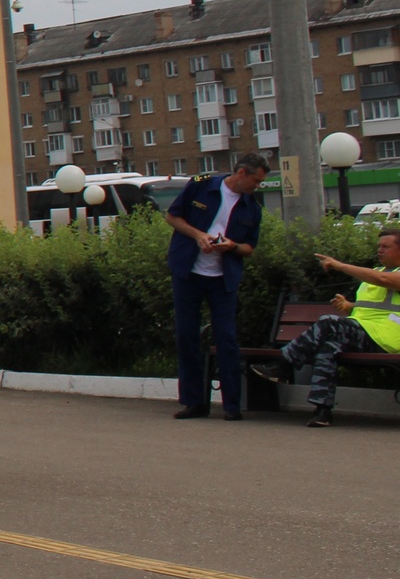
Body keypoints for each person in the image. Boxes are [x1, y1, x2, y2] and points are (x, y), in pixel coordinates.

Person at [165, 153, 270, 419]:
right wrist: (199, 236)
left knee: (226, 338)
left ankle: (232, 405)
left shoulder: (252, 208)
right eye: (255, 181)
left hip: (223, 278)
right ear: (242, 173)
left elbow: (250, 248)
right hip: (188, 272)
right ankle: (194, 402)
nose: (256, 187)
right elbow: (173, 217)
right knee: (187, 336)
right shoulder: (201, 185)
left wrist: (232, 246)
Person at [286, 230, 400, 425]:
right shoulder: (377, 272)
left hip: (388, 338)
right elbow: (372, 308)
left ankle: (284, 362)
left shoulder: (382, 276)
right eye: (379, 246)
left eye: (386, 247)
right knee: (328, 348)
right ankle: (322, 411)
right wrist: (349, 307)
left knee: (329, 321)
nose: (380, 250)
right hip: (366, 333)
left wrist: (340, 266)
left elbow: (383, 282)